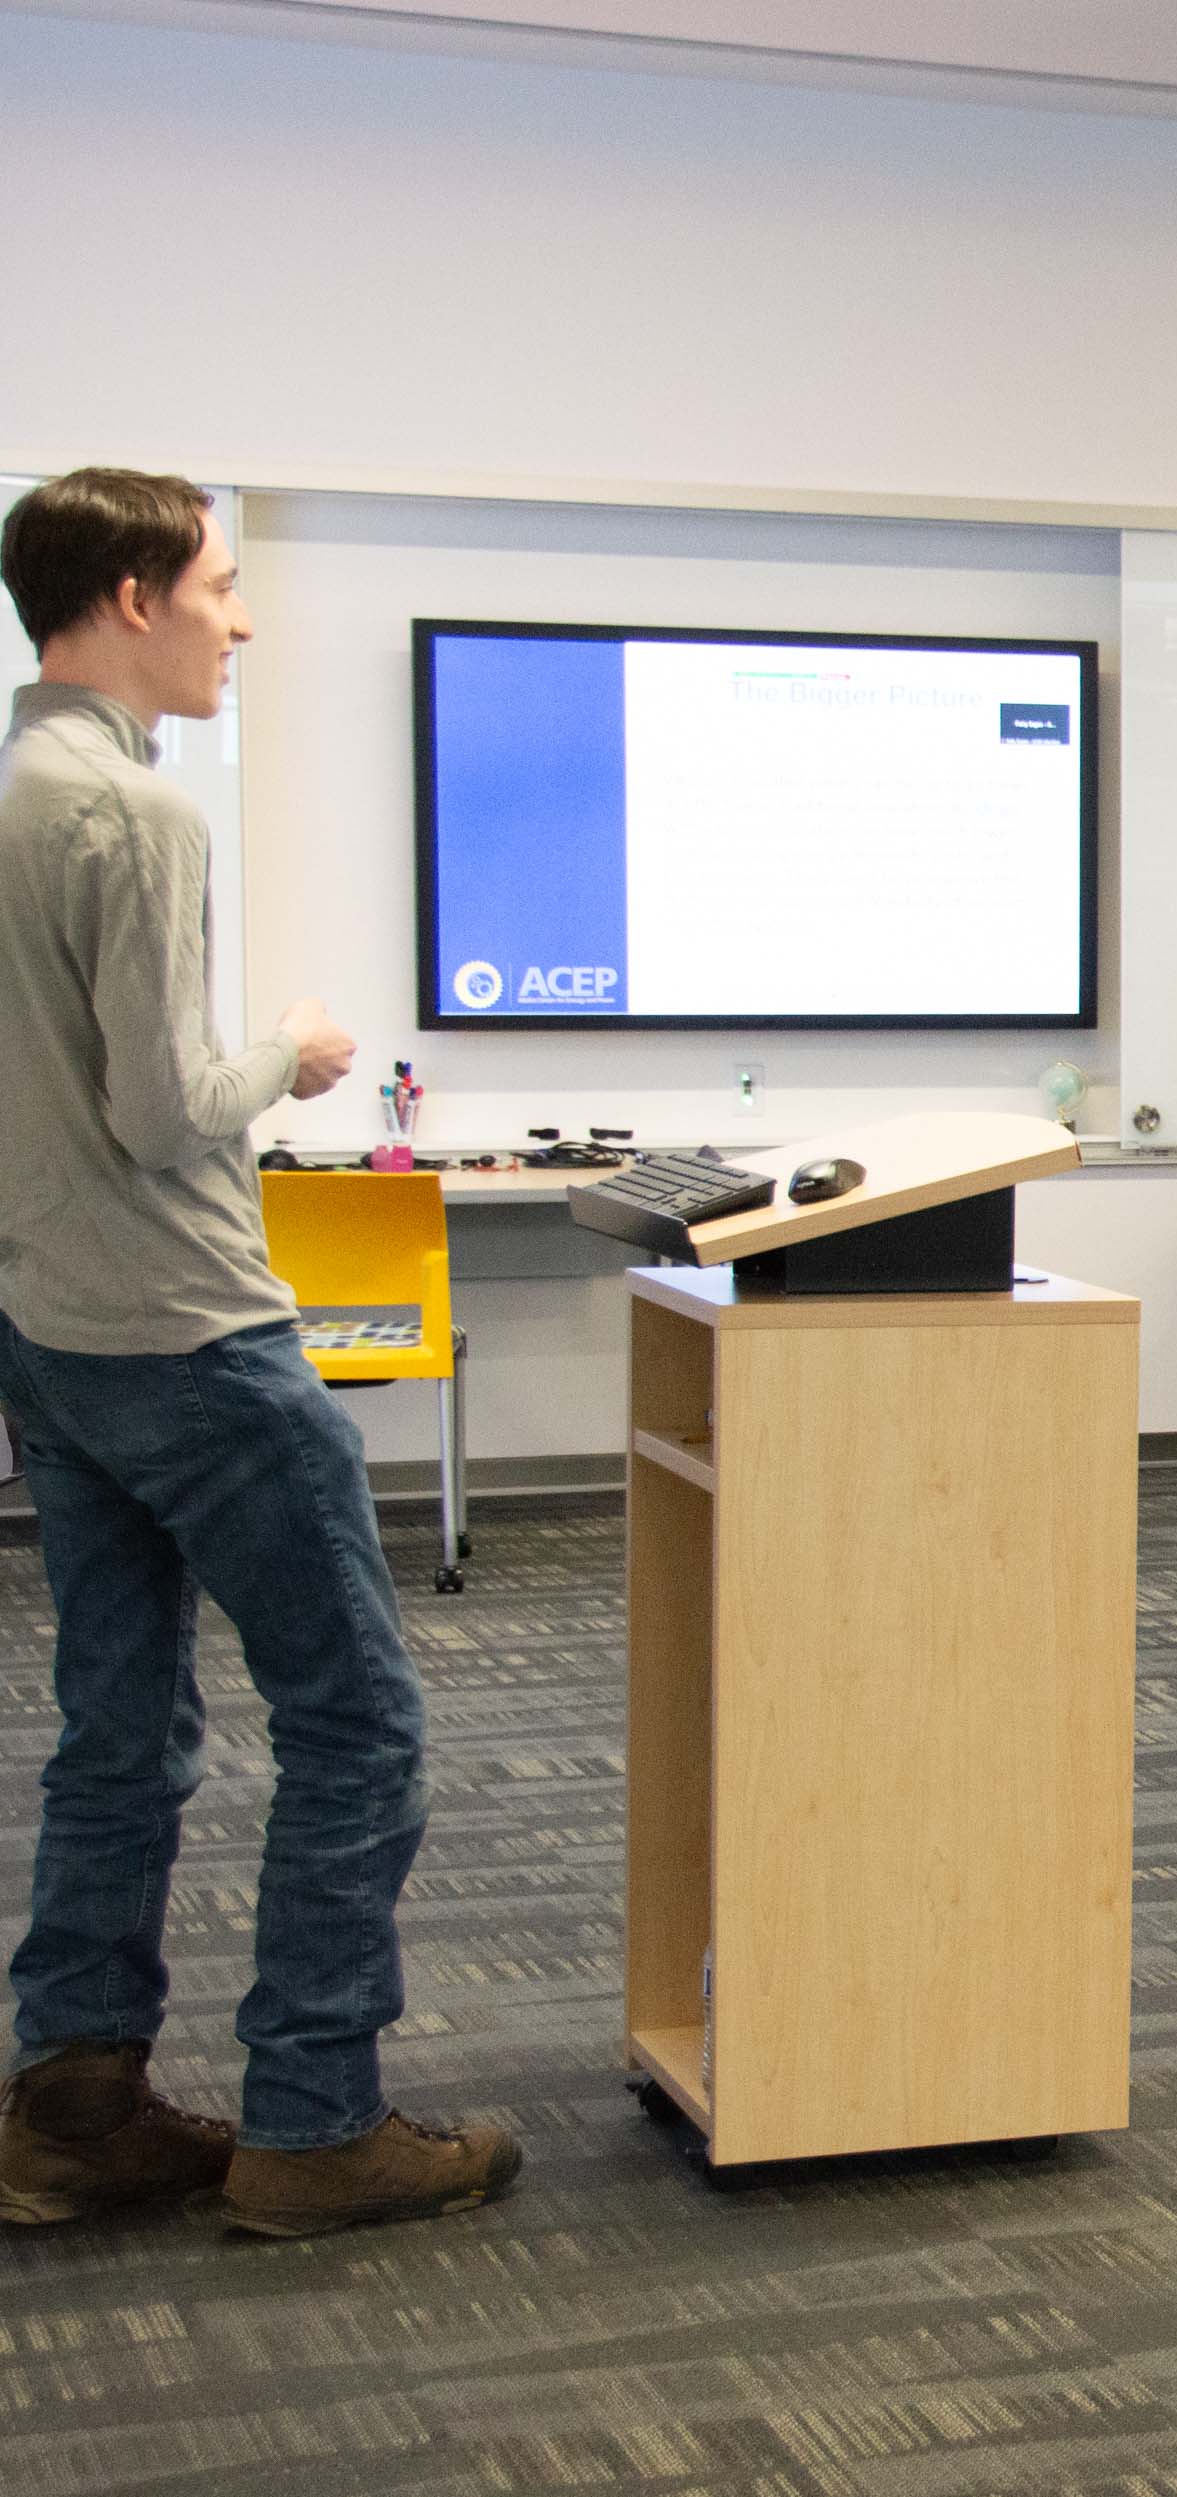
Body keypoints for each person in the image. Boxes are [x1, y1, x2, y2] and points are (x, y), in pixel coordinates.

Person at [0, 468, 521, 2236]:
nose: (242, 616)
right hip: (194, 1335)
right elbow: (162, 1113)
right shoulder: (138, 821)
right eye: (220, 585)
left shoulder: (14, 790)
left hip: (53, 1333)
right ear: (132, 599)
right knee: (358, 1725)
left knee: (119, 1724)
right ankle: (312, 2118)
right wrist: (289, 1050)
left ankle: (73, 2101)